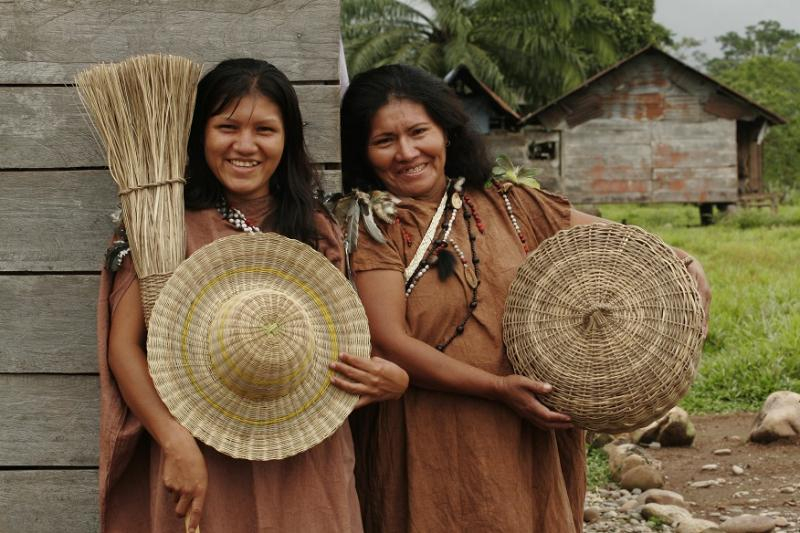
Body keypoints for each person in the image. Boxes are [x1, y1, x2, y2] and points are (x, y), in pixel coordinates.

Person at [340, 64, 711, 533]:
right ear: (363, 152)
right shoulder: (374, 227)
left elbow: (620, 243)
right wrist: (497, 389)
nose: (407, 152)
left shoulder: (511, 203)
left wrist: (685, 260)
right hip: (427, 434)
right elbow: (390, 342)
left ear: (446, 133)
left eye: (419, 132)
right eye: (384, 140)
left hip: (527, 430)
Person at [97, 58, 408, 533]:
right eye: (227, 127)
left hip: (307, 461)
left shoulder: (318, 229)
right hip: (200, 455)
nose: (245, 145)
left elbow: (339, 352)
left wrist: (391, 380)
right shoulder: (161, 224)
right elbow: (124, 348)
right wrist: (174, 440)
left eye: (265, 129)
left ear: (287, 140)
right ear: (200, 134)